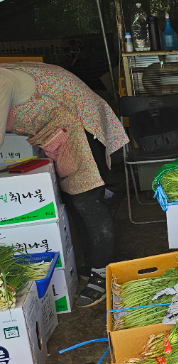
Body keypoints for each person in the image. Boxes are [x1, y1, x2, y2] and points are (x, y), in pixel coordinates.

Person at [0, 62, 129, 307]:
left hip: (76, 120)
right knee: (73, 198)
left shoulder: (0, 81)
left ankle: (104, 273)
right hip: (58, 127)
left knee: (87, 200)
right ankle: (93, 263)